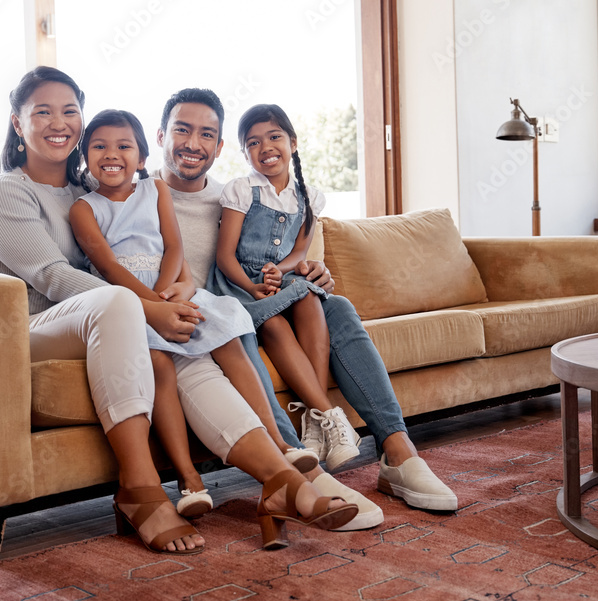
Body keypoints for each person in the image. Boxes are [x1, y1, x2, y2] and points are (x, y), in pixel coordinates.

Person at [0, 66, 357, 554]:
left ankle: (282, 478)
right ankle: (139, 487)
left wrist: (166, 307)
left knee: (190, 354)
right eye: (42, 111)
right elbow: (49, 273)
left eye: (70, 111)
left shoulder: (83, 191)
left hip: (108, 325)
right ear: (16, 122)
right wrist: (148, 308)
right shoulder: (2, 190)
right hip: (30, 331)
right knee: (117, 303)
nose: (58, 122)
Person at [156, 88, 459, 515]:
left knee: (338, 307)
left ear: (221, 147)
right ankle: (305, 471)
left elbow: (279, 249)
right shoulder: (140, 197)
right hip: (217, 312)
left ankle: (399, 452)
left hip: (261, 295)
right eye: (182, 131)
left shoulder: (236, 194)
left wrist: (310, 269)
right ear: (160, 136)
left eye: (206, 134)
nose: (193, 144)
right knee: (233, 326)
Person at [69, 109, 319, 517]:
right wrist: (151, 306)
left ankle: (280, 442)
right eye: (99, 146)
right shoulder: (84, 208)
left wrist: (168, 293)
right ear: (85, 156)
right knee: (161, 368)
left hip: (170, 292)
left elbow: (173, 248)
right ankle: (188, 478)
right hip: (127, 304)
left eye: (124, 146)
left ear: (143, 155)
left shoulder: (155, 191)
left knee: (230, 338)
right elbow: (109, 268)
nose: (111, 154)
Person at [208, 103, 362, 473]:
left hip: (279, 276)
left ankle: (314, 416)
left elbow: (299, 253)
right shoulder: (241, 191)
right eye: (253, 142)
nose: (266, 148)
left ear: (292, 142)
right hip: (238, 284)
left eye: (274, 137)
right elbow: (224, 256)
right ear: (244, 152)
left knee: (308, 294)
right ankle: (330, 416)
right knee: (275, 323)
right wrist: (253, 285)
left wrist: (279, 270)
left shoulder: (308, 196)